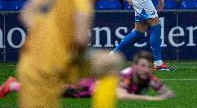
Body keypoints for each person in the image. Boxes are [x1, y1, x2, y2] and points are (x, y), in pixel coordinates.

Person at [1, 51, 176, 101]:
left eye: (148, 67)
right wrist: (152, 100)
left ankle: (15, 85)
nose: (146, 70)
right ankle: (13, 85)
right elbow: (120, 95)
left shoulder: (148, 78)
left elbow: (165, 91)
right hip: (85, 85)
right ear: (134, 67)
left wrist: (167, 94)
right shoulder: (126, 77)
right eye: (142, 66)